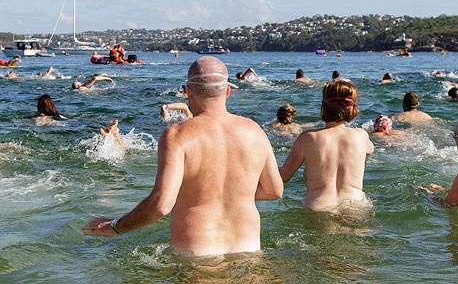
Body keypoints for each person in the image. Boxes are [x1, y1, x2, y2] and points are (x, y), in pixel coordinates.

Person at [82, 56, 283, 256]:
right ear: (228, 91)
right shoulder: (255, 131)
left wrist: (114, 226)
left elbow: (161, 206)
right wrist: (234, 192)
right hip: (250, 254)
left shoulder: (177, 135)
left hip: (196, 260)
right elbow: (274, 190)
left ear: (188, 93)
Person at [279, 80, 374, 211]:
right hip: (355, 204)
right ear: (353, 108)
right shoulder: (361, 136)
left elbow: (283, 176)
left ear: (323, 107)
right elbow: (370, 149)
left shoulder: (307, 138)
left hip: (319, 206)